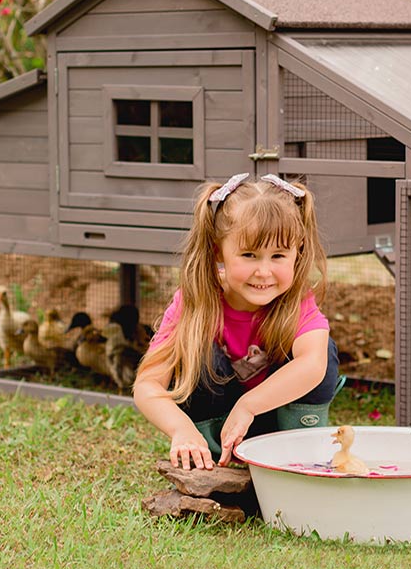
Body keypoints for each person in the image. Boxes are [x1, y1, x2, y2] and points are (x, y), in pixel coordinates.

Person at [133, 172, 341, 471]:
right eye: (249, 255)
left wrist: (248, 405)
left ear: (298, 252)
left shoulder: (297, 303)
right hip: (218, 432)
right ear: (218, 252)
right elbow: (148, 385)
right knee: (196, 352)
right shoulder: (196, 303)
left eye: (278, 256)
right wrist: (181, 429)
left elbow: (313, 365)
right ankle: (209, 450)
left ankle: (301, 446)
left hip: (275, 425)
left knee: (323, 349)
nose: (264, 272)